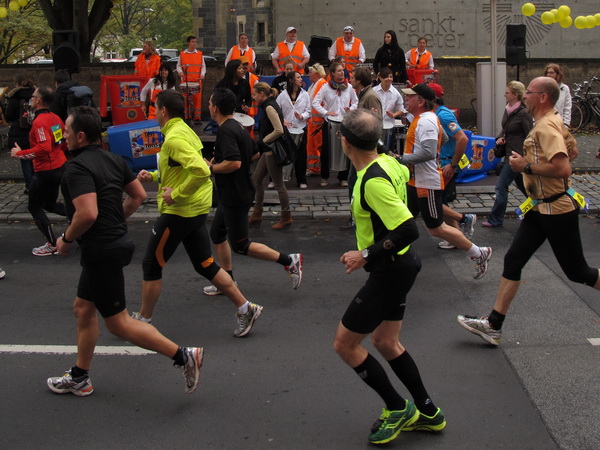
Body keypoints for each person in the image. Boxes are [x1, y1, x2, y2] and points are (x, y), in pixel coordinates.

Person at [46, 106, 203, 397]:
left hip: (101, 250)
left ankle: (184, 356)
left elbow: (87, 213)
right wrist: (115, 220)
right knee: (83, 308)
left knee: (118, 324)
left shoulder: (77, 168)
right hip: (112, 244)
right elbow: (138, 195)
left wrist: (66, 239)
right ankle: (80, 376)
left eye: (66, 131)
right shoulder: (114, 159)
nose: (63, 136)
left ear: (80, 136)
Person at [457, 77, 600, 346]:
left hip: (556, 209)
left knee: (578, 272)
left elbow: (564, 168)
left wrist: (526, 167)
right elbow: (573, 150)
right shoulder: (553, 120)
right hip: (539, 206)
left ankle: (493, 324)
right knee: (513, 260)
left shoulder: (546, 126)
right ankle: (493, 325)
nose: (525, 97)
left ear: (543, 97)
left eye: (529, 92)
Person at [334, 109, 446, 445]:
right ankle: (429, 412)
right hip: (402, 265)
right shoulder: (390, 163)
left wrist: (364, 254)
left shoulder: (373, 181)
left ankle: (398, 408)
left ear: (345, 143)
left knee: (345, 344)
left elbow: (409, 228)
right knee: (385, 341)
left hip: (390, 270)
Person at [132, 90, 263, 338]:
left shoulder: (174, 138)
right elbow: (182, 168)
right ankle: (246, 307)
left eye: (155, 108)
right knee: (205, 264)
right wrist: (155, 176)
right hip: (195, 209)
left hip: (180, 211)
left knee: (151, 264)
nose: (154, 112)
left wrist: (177, 194)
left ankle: (143, 321)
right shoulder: (183, 130)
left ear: (163, 111)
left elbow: (201, 171)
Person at [202, 88, 303, 296]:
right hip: (231, 193)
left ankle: (289, 260)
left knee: (240, 244)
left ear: (216, 108)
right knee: (217, 234)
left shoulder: (226, 130)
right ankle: (227, 281)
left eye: (210, 103)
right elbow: (255, 153)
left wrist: (211, 168)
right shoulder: (237, 126)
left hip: (236, 195)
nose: (209, 106)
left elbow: (235, 163)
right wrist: (221, 160)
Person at [399, 84, 492, 279]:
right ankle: (392, 257)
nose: (406, 99)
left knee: (436, 228)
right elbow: (442, 139)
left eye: (410, 96)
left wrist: (401, 159)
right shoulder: (424, 118)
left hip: (425, 184)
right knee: (403, 220)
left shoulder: (426, 121)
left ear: (421, 101)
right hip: (416, 182)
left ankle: (479, 252)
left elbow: (428, 152)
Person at [11, 86, 67, 256]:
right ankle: (80, 218)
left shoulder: (39, 122)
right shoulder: (55, 117)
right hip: (59, 165)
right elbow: (62, 140)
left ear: (39, 100)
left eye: (33, 96)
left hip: (46, 170)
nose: (31, 98)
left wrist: (19, 154)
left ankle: (53, 244)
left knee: (34, 206)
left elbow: (44, 148)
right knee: (49, 204)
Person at [428, 82, 477, 248]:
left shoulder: (444, 115)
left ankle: (464, 220)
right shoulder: (436, 114)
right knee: (439, 201)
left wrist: (453, 165)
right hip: (443, 164)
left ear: (432, 98)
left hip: (447, 165)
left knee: (434, 202)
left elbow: (462, 138)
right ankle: (456, 236)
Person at [482, 81, 533, 228]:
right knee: (526, 188)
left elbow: (530, 135)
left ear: (515, 95)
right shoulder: (508, 109)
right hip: (509, 153)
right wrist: (500, 138)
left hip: (516, 155)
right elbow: (505, 129)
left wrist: (525, 154)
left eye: (507, 92)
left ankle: (496, 219)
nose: (504, 94)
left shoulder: (524, 113)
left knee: (501, 186)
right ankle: (539, 208)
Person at [249, 82, 293, 229]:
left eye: (255, 94)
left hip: (272, 150)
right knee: (257, 179)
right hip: (268, 150)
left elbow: (279, 129)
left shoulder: (269, 107)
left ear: (262, 94)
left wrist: (264, 140)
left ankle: (286, 216)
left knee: (279, 184)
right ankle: (257, 213)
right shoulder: (269, 105)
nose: (253, 97)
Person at [312, 61, 358, 187]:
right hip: (330, 123)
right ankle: (324, 177)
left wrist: (350, 109)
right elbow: (315, 102)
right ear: (332, 73)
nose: (342, 72)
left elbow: (356, 102)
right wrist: (326, 112)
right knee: (326, 150)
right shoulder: (326, 88)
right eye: (338, 70)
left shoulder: (348, 87)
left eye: (342, 70)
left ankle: (343, 177)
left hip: (344, 123)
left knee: (345, 149)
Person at [277, 71, 311, 188]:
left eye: (301, 77)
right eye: (298, 77)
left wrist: (302, 116)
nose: (301, 79)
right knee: (284, 153)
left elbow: (309, 111)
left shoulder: (305, 94)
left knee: (301, 155)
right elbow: (276, 110)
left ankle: (301, 180)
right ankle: (280, 178)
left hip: (300, 128)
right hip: (286, 129)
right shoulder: (282, 95)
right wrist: (282, 120)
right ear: (291, 80)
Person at [4, 74, 34, 192]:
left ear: (17, 84)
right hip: (34, 128)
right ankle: (37, 184)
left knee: (25, 158)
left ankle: (30, 186)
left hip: (20, 130)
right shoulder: (35, 94)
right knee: (36, 157)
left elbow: (9, 116)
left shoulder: (15, 97)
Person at [373, 67, 406, 147]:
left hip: (389, 126)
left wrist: (393, 115)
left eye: (391, 77)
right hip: (375, 126)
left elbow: (401, 109)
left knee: (387, 148)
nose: (389, 79)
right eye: (386, 77)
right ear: (380, 77)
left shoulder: (396, 93)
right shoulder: (374, 91)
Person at [177, 35, 206, 122]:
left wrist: (202, 74)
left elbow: (203, 66)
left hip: (197, 81)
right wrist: (180, 72)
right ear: (188, 43)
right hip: (185, 81)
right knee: (185, 101)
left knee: (197, 100)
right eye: (192, 42)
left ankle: (197, 118)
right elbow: (178, 66)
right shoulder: (182, 54)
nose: (194, 43)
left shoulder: (200, 54)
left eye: (195, 42)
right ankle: (186, 117)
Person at [306, 63, 328, 176]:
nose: (309, 75)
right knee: (312, 146)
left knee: (317, 146)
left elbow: (325, 103)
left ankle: (317, 167)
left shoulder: (322, 84)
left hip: (318, 122)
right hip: (313, 121)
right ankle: (314, 167)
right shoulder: (315, 85)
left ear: (316, 74)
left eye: (310, 72)